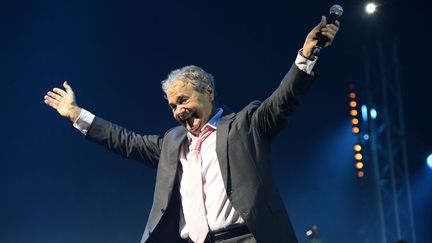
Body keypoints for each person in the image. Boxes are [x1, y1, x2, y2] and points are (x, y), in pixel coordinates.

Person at [44, 16, 339, 243]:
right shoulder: (172, 143)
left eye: (183, 100)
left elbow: (282, 101)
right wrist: (75, 114)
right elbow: (124, 141)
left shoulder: (245, 125)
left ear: (208, 92)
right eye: (172, 106)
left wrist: (306, 57)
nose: (178, 111)